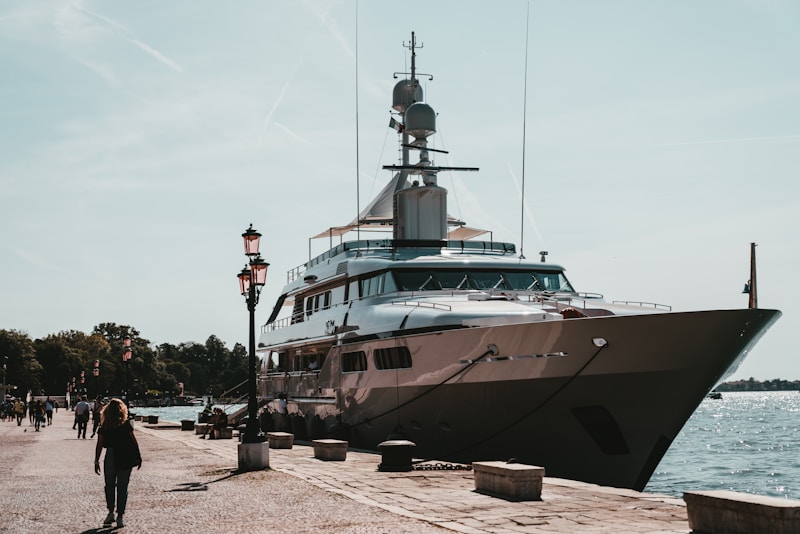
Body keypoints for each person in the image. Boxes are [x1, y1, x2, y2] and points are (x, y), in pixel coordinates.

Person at [94, 398, 141, 528]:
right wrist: (138, 456)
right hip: (125, 455)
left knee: (109, 485)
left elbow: (99, 444)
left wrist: (96, 460)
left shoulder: (104, 425)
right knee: (123, 487)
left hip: (111, 454)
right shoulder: (125, 424)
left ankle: (110, 512)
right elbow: (133, 441)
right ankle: (120, 516)